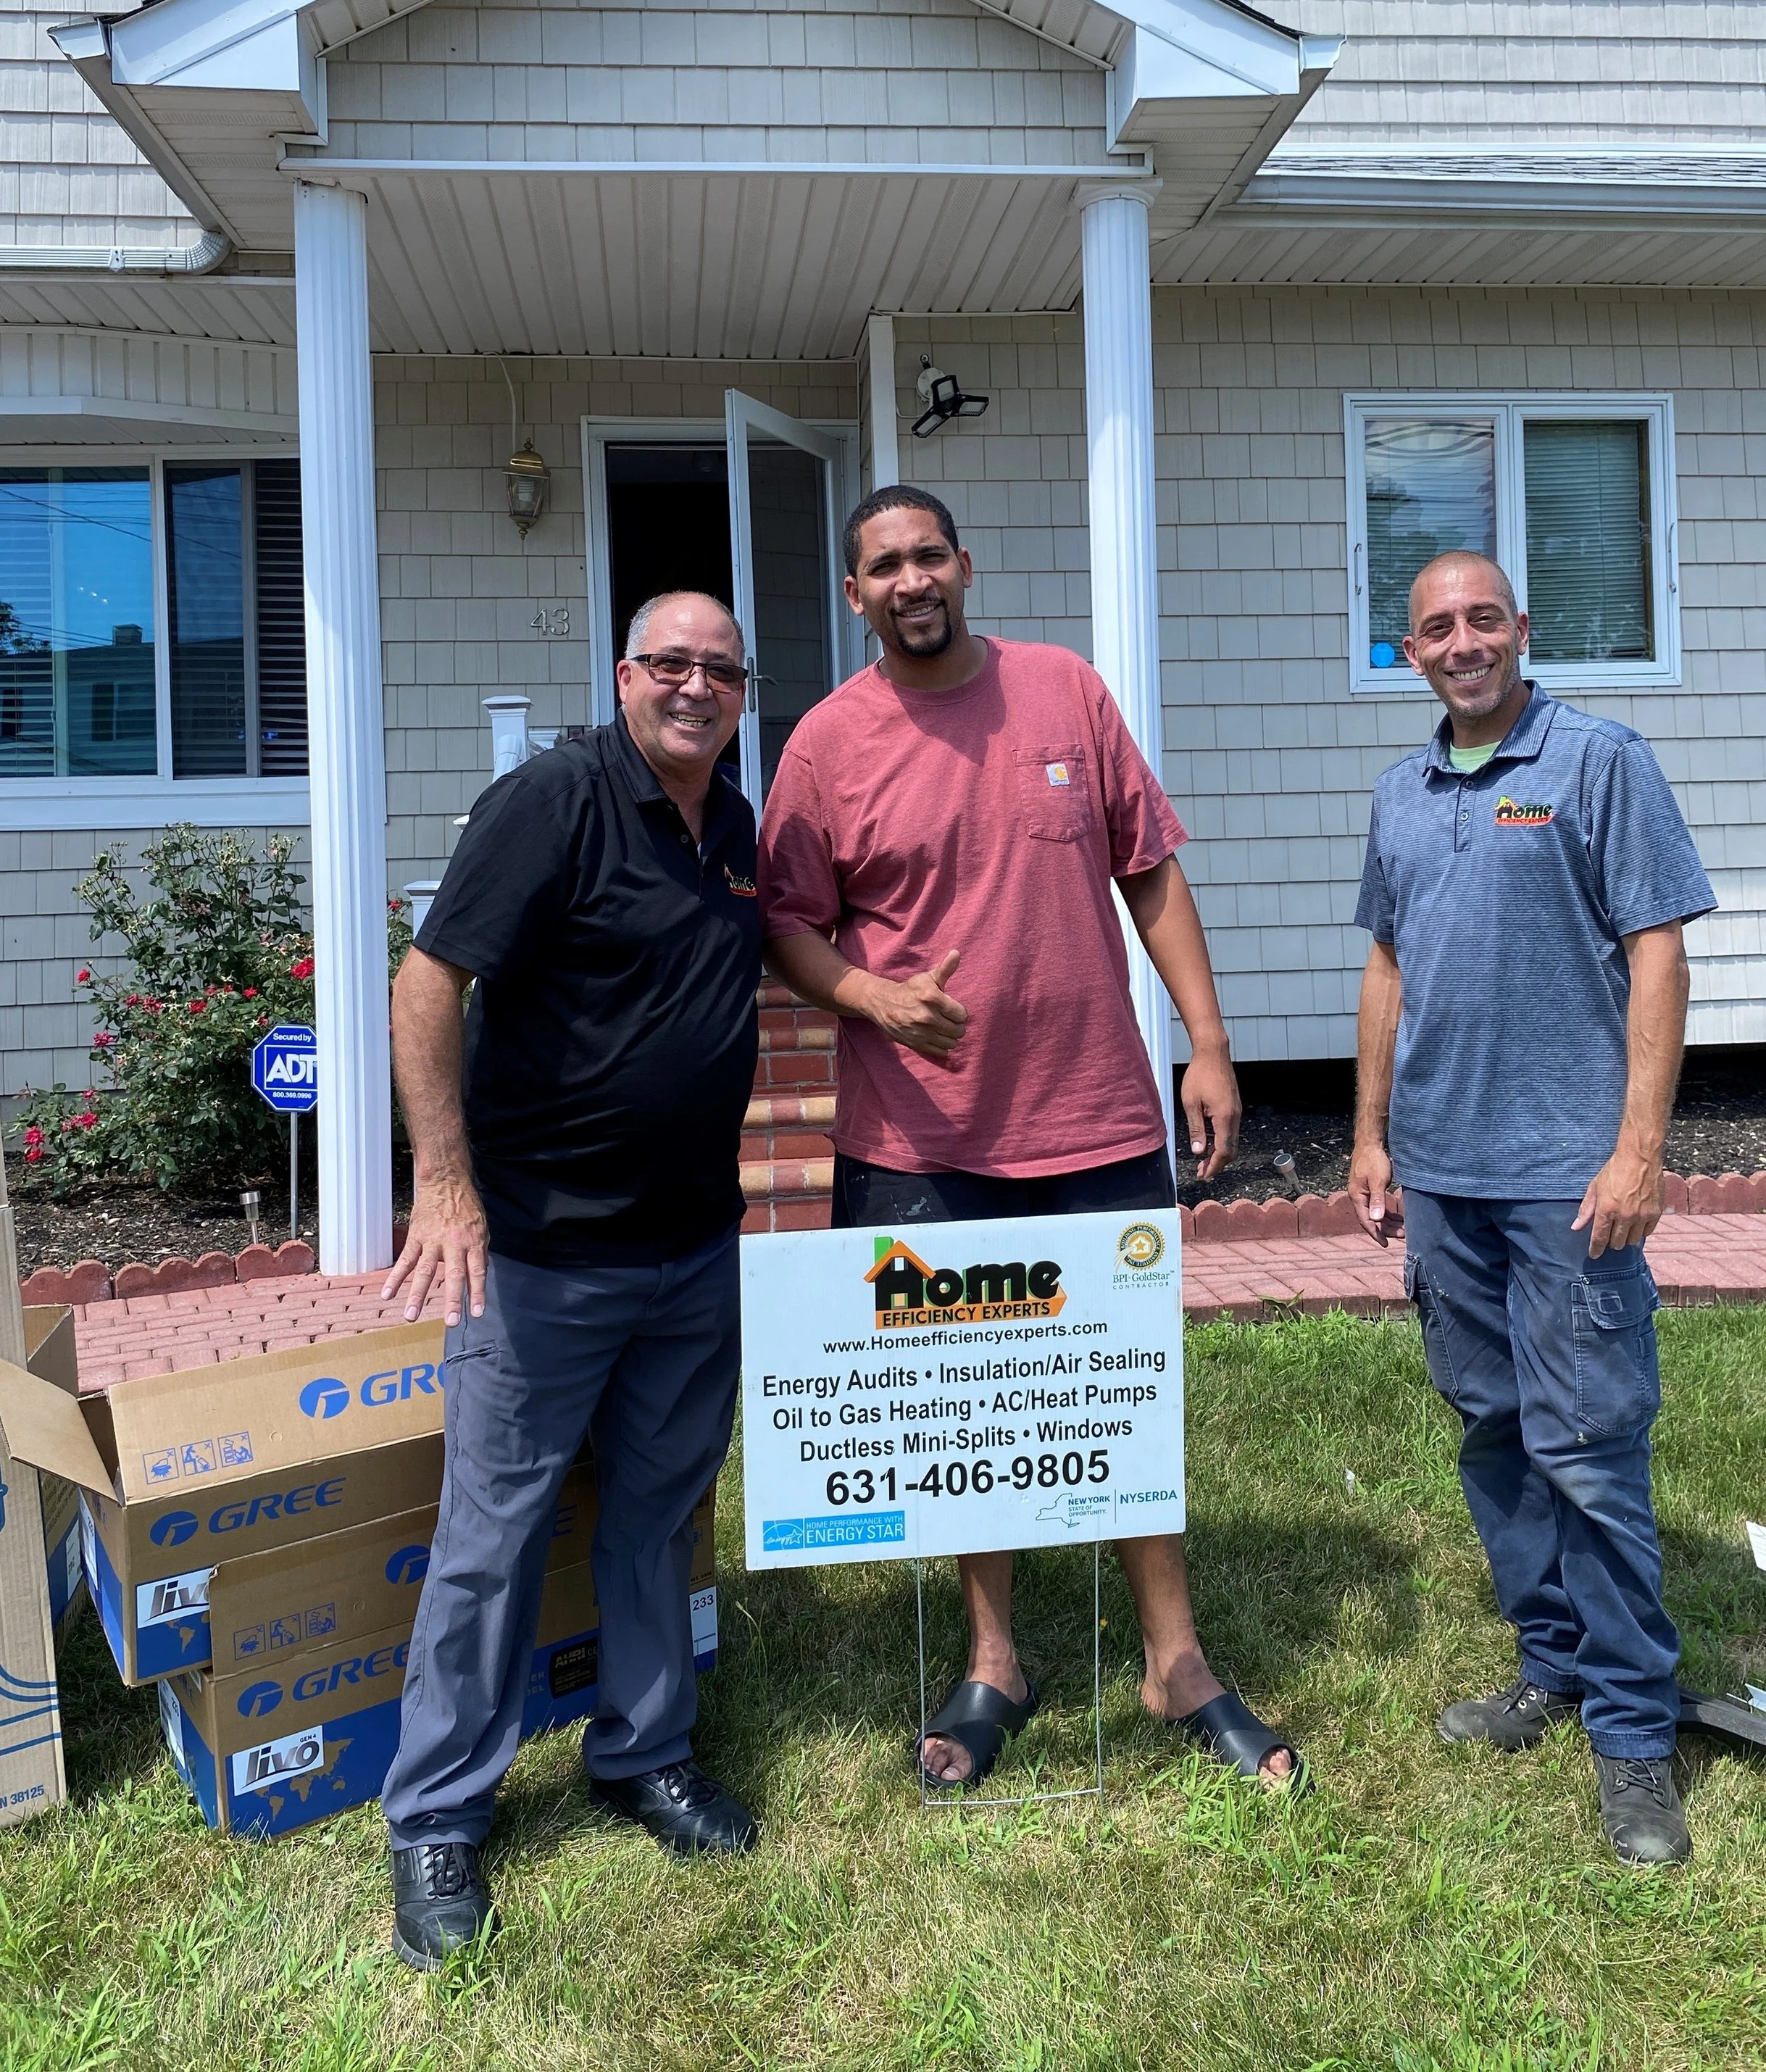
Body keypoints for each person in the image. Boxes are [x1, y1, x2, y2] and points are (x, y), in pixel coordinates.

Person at [758, 484, 1307, 1796]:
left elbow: (1150, 872)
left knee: (1120, 1395)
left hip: (1094, 1115)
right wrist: (874, 997)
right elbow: (788, 922)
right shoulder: (827, 743)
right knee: (964, 1406)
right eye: (882, 565)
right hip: (918, 1140)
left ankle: (1176, 1658)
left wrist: (1209, 1044)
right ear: (855, 595)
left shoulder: (1065, 690)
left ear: (966, 561)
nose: (910, 580)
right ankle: (996, 1653)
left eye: (928, 554)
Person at [379, 591, 765, 1972]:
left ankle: (643, 1753)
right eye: (672, 664)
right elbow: (428, 984)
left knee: (659, 1518)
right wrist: (443, 1181)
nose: (696, 686)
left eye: (720, 669)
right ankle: (437, 1816)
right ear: (625, 676)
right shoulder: (549, 801)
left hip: (689, 1253)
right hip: (542, 1259)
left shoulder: (732, 825)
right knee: (492, 1541)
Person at [1348, 551, 1715, 1867]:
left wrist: (1639, 1151)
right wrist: (1373, 1134)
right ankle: (1553, 1663)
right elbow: (1386, 963)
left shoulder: (1598, 761)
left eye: (1482, 619)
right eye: (1436, 628)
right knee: (1495, 1430)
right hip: (1443, 1179)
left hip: (1570, 1182)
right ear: (1409, 653)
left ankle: (1633, 1736)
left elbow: (1660, 947)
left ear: (1522, 627)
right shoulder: (1402, 791)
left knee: (1591, 1449)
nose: (1462, 643)